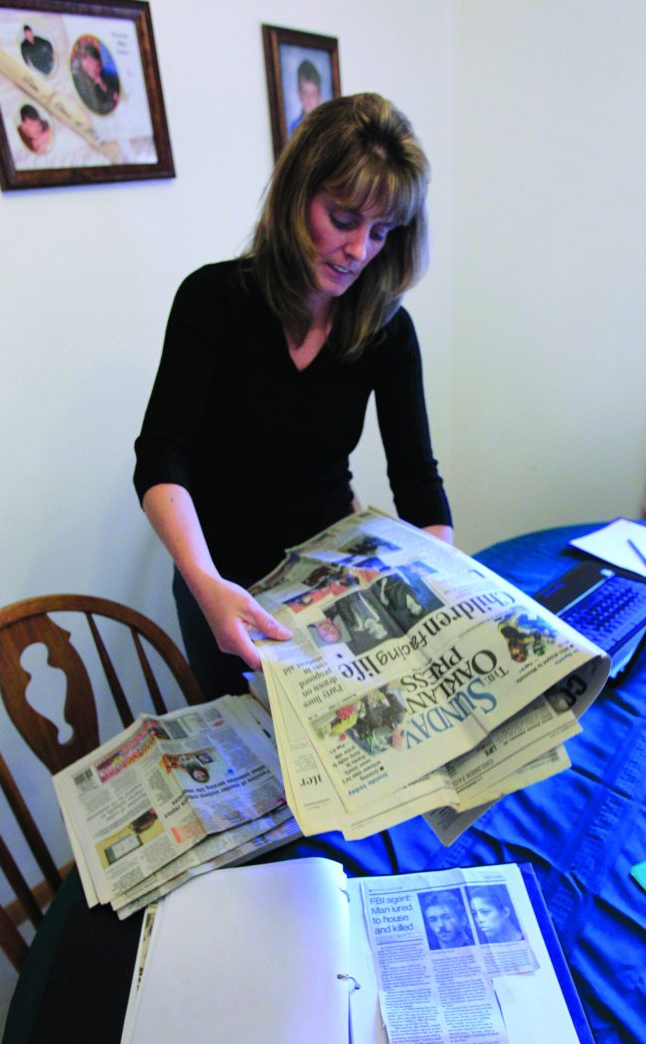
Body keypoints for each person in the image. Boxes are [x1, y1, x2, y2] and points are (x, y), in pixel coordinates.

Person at [134, 92, 453, 700]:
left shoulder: (386, 330)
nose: (360, 251)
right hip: (220, 579)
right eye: (343, 219)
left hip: (328, 574)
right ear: (296, 196)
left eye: (381, 231)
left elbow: (418, 480)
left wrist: (446, 583)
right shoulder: (212, 301)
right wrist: (203, 580)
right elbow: (161, 456)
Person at [71, 41, 120, 114]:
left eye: (97, 66)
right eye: (90, 66)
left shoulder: (106, 76)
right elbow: (98, 107)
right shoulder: (80, 82)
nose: (95, 69)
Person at [288, 59, 322, 135]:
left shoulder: (327, 125)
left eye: (313, 94)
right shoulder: (294, 127)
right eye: (305, 93)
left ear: (319, 95)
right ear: (299, 94)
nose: (309, 99)